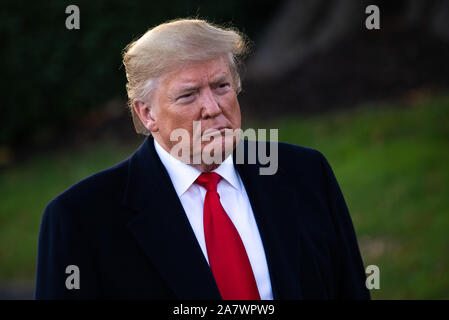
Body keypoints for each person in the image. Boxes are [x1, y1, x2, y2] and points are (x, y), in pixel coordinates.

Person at [35, 19, 370, 300]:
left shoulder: (305, 174)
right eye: (188, 94)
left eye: (221, 86)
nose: (212, 107)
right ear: (147, 112)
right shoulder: (80, 219)